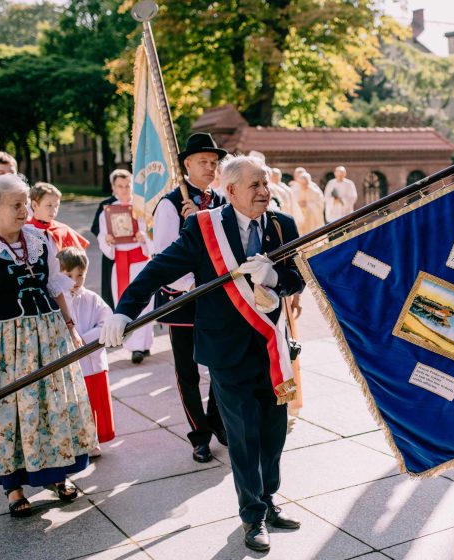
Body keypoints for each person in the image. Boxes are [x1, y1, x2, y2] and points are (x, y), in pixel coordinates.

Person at [100, 155, 305, 552]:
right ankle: (253, 516)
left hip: (272, 347)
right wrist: (125, 308)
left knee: (273, 433)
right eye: (255, 186)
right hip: (226, 351)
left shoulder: (282, 225)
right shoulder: (204, 226)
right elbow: (157, 269)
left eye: (266, 184)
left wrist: (277, 277)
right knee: (243, 435)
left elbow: (299, 276)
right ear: (230, 191)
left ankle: (270, 498)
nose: (265, 192)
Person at [0, 174, 97, 517]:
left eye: (24, 204)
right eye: (15, 205)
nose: (23, 211)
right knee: (8, 415)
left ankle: (59, 474)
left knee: (53, 407)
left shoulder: (39, 239)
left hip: (48, 339)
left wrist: (71, 326)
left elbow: (57, 286)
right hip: (5, 346)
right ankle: (13, 488)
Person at [152, 133, 228, 463]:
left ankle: (216, 421)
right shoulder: (169, 205)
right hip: (183, 297)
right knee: (188, 371)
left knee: (221, 363)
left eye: (214, 162)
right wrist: (190, 228)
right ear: (187, 164)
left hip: (218, 297)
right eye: (203, 162)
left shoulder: (223, 200)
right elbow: (164, 257)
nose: (210, 167)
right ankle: (199, 434)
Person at [58, 246, 115, 457]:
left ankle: (94, 440)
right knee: (75, 404)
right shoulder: (56, 300)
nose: (75, 280)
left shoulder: (92, 298)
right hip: (72, 363)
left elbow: (106, 322)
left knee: (94, 403)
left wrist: (85, 340)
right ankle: (78, 440)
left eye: (79, 275)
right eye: (68, 275)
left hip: (93, 361)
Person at [96, 170, 154, 364]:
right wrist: (108, 240)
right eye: (119, 186)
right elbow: (102, 237)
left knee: (145, 303)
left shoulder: (140, 208)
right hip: (120, 262)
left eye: (127, 185)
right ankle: (134, 346)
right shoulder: (108, 211)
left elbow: (151, 233)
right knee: (124, 302)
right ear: (113, 188)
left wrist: (144, 238)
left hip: (140, 261)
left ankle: (142, 344)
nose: (124, 190)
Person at [90, 172, 122, 308]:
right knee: (111, 286)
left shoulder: (136, 203)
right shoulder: (106, 205)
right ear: (113, 187)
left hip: (133, 252)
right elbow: (95, 226)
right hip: (112, 253)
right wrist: (106, 236)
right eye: (120, 186)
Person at [28, 182, 90, 251]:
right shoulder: (23, 230)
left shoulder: (63, 230)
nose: (54, 210)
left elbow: (80, 258)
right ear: (34, 205)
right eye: (49, 205)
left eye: (56, 206)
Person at [291, 171, 325, 236]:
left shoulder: (315, 192)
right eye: (302, 184)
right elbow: (292, 205)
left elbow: (320, 204)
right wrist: (298, 205)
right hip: (299, 218)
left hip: (311, 219)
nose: (304, 185)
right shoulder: (294, 191)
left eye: (305, 183)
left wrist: (308, 204)